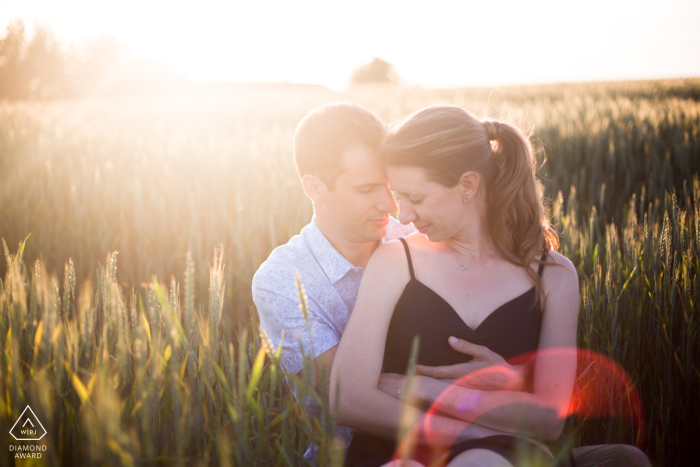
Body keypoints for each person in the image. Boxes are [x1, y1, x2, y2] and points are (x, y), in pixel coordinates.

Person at [253, 102, 650, 467]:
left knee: (627, 460)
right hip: (374, 447)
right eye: (368, 189)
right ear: (314, 187)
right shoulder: (300, 277)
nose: (397, 209)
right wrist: (492, 433)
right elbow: (349, 397)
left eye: (398, 191)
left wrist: (502, 385)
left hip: (500, 440)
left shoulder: (423, 235)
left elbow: (548, 414)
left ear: (468, 186)